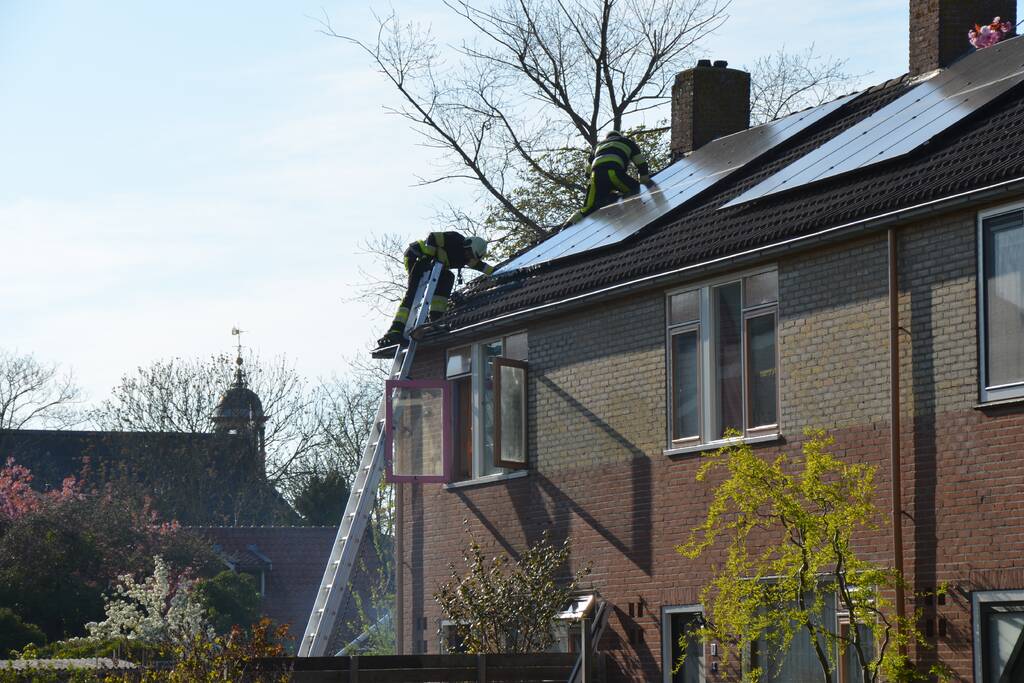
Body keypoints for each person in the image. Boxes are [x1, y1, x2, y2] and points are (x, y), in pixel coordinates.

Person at [377, 232, 495, 348]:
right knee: (413, 294)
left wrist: (497, 272)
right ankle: (395, 329)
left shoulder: (466, 258)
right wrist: (428, 257)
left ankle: (435, 319)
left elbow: (482, 267)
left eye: (472, 256)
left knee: (448, 277)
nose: (469, 256)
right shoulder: (454, 238)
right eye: (469, 253)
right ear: (468, 245)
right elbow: (432, 236)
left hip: (434, 266)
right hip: (417, 256)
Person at [566, 130, 652, 226]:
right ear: (619, 136)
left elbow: (587, 173)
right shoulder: (627, 142)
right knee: (635, 191)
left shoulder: (598, 146)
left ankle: (567, 225)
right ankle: (642, 220)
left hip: (595, 178)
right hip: (613, 172)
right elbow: (641, 164)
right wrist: (645, 183)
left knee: (588, 207)